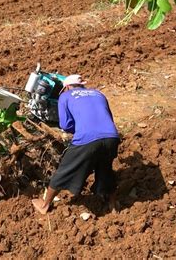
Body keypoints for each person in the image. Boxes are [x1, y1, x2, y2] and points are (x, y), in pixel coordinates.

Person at [32, 74, 120, 215]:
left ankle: (44, 205)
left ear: (66, 87)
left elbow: (65, 125)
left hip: (87, 137)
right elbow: (108, 117)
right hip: (112, 136)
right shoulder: (98, 93)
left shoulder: (65, 96)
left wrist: (79, 128)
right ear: (82, 85)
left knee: (64, 170)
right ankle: (112, 205)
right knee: (105, 170)